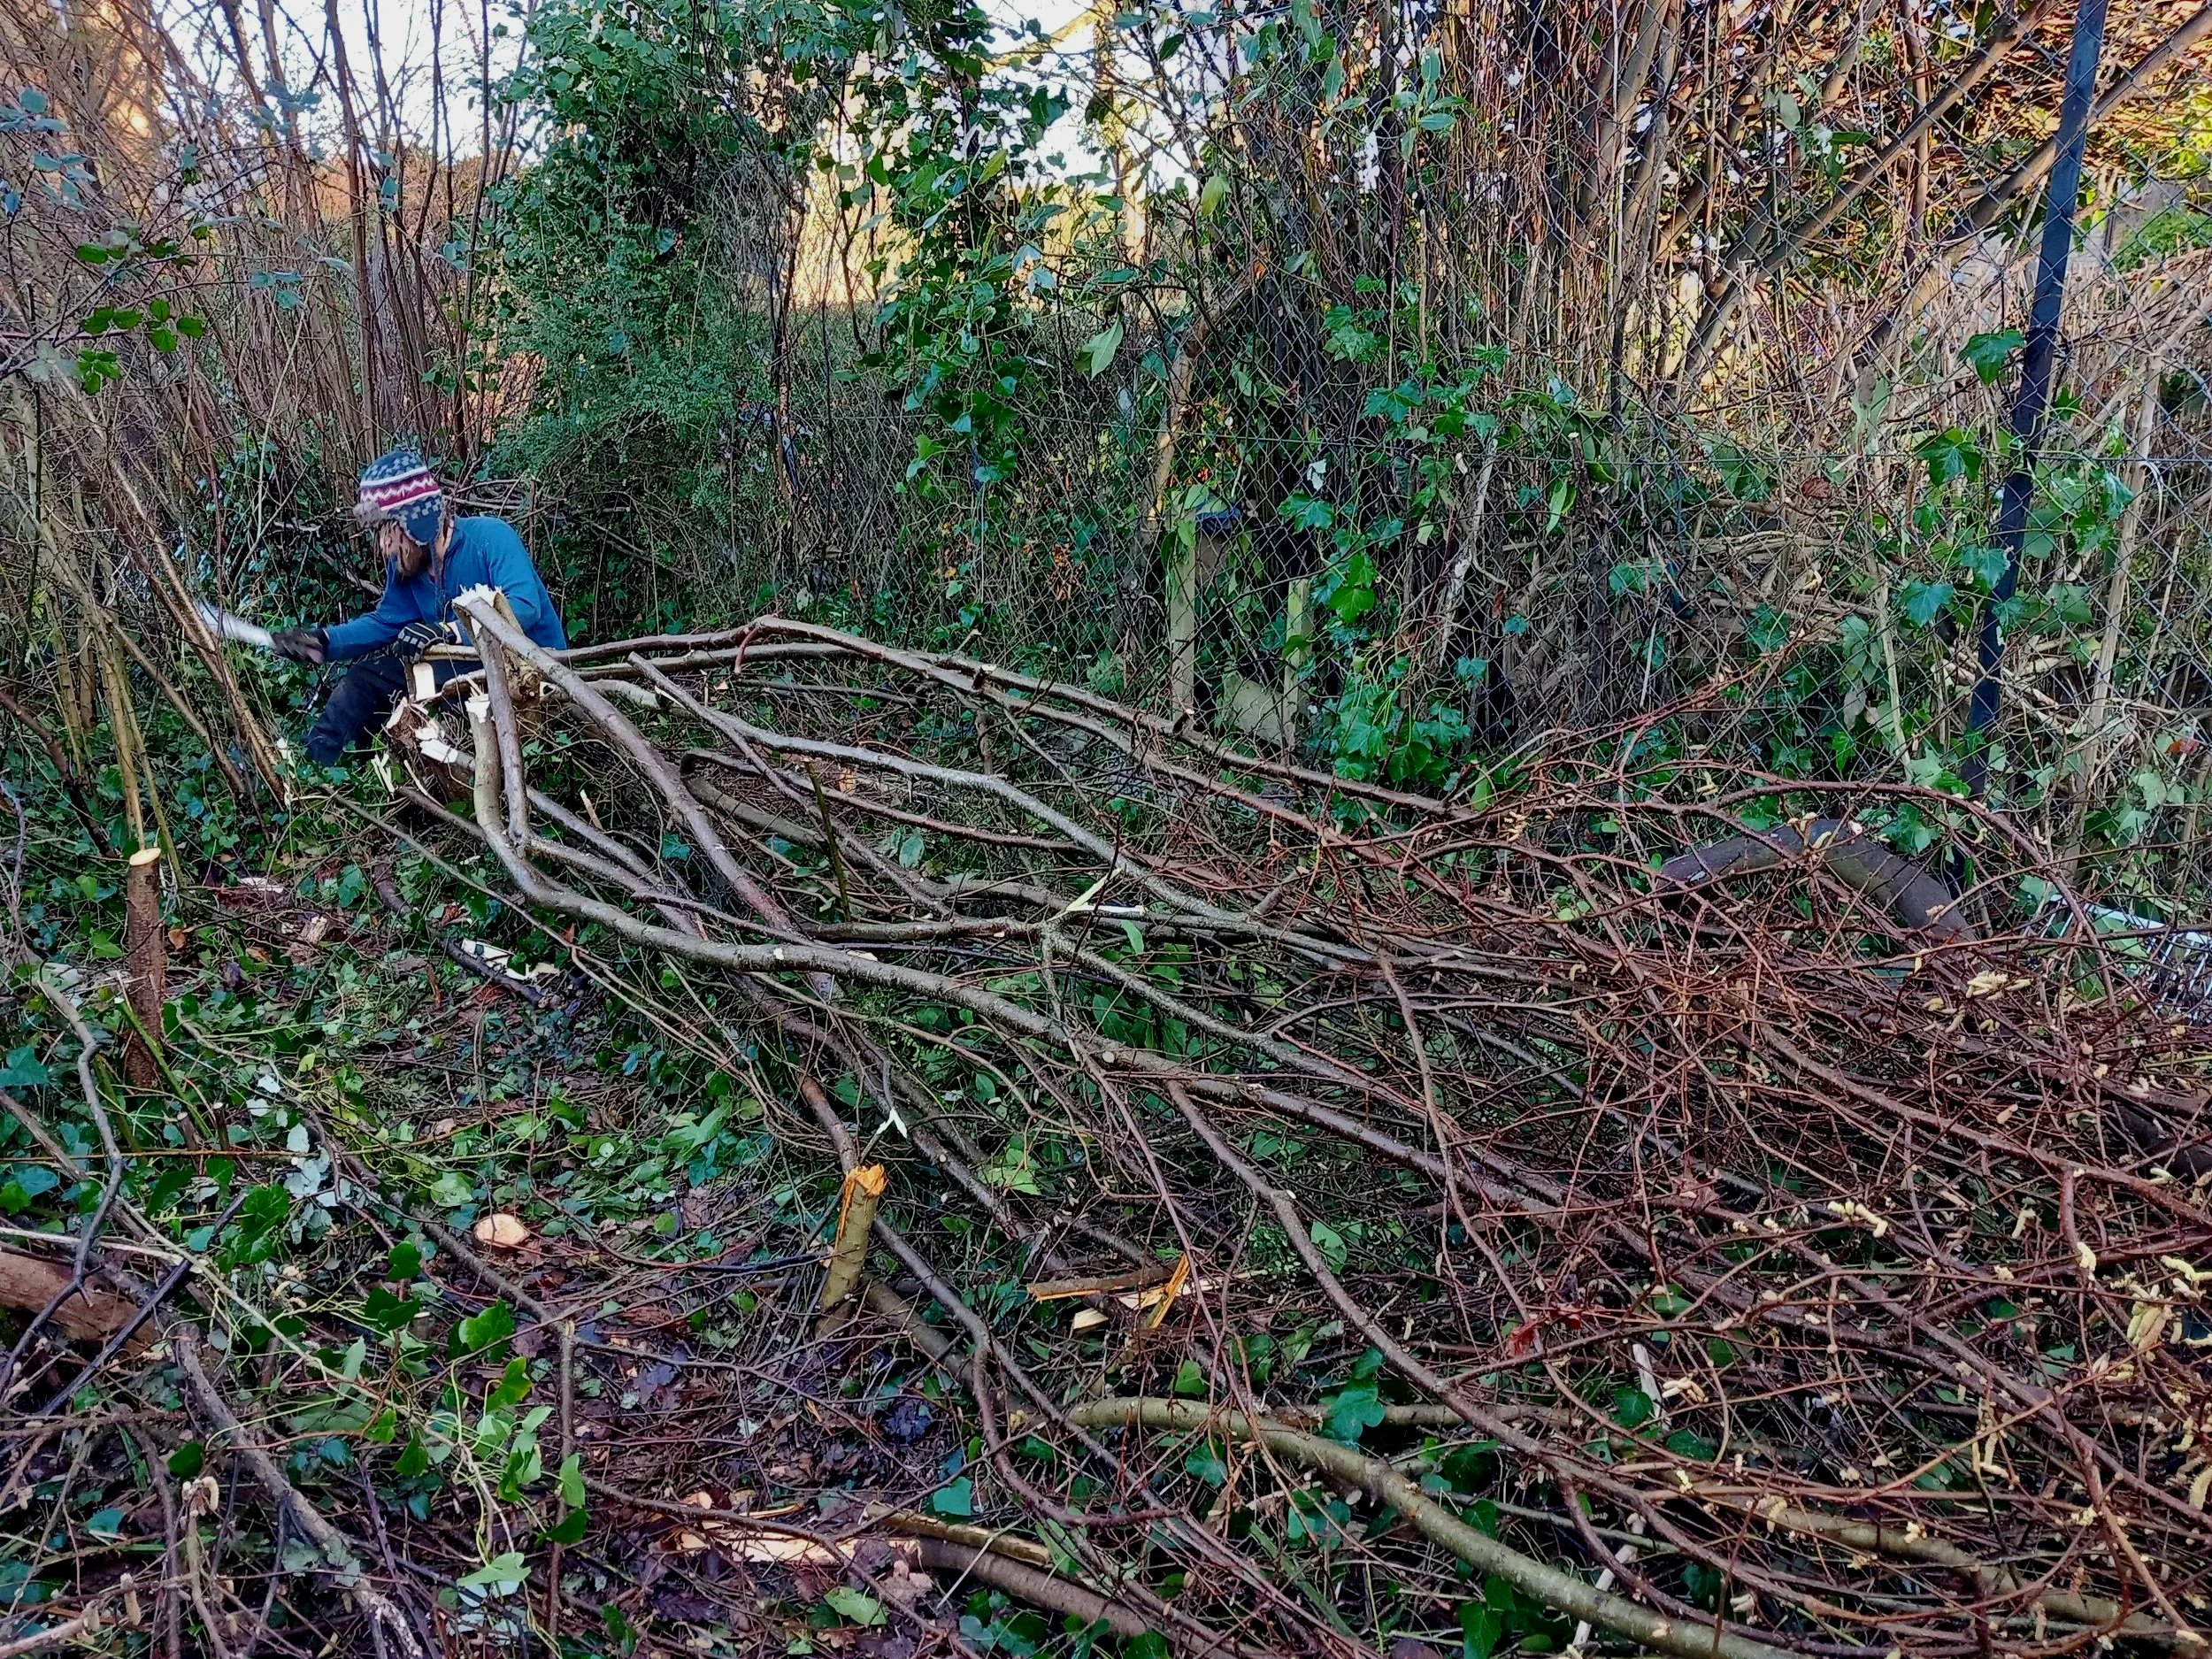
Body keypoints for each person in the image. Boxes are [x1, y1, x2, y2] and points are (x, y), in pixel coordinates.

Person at [270, 448, 567, 768]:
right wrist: (324, 642)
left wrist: (447, 632)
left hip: (526, 672)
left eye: (389, 531)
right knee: (365, 682)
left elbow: (523, 607)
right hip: (459, 672)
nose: (385, 546)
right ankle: (314, 776)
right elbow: (386, 621)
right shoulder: (407, 566)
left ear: (416, 520)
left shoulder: (491, 538)